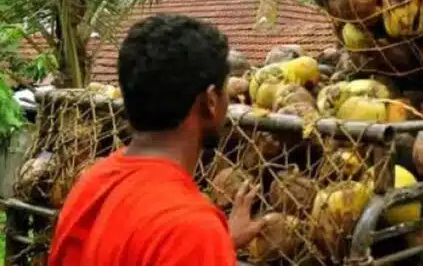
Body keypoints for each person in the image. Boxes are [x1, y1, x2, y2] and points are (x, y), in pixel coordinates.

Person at [49, 14, 265, 265]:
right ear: (211, 102)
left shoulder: (91, 184)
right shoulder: (192, 229)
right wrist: (208, 246)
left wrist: (221, 244)